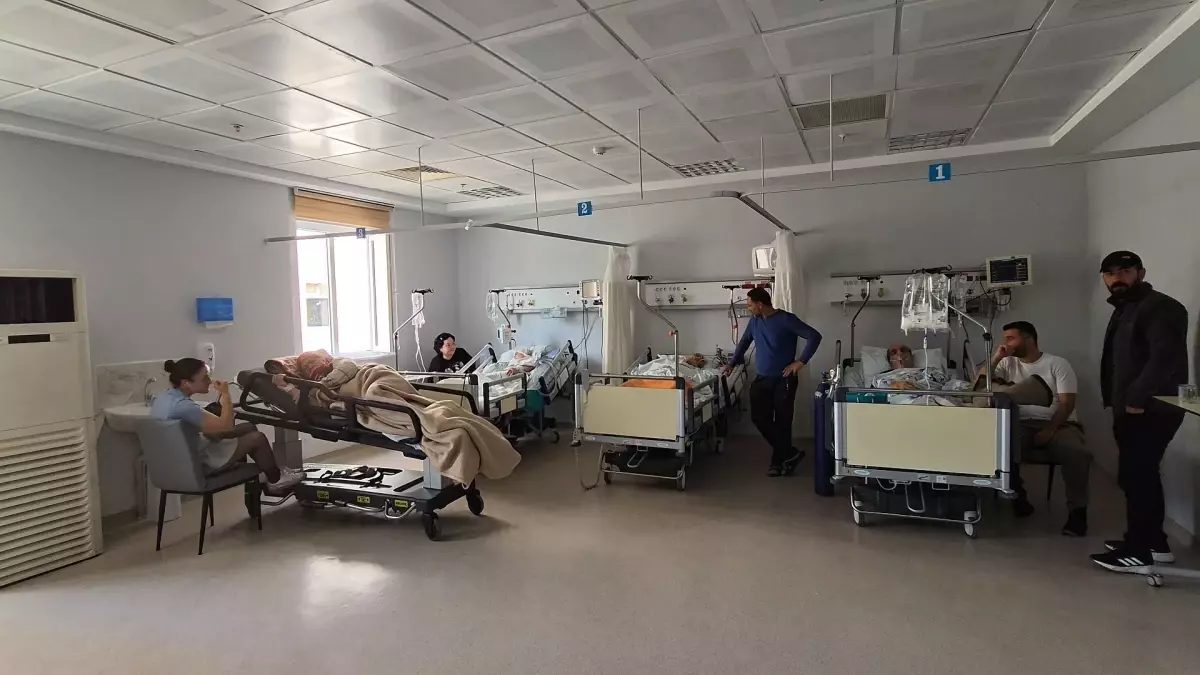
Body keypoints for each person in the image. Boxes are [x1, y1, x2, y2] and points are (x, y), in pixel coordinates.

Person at [1089, 251, 1188, 574]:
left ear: (1141, 273)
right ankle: (1154, 543)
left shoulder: (1161, 307)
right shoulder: (1126, 309)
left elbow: (1164, 358)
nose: (1117, 278)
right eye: (1110, 273)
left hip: (1150, 408)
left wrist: (1137, 398)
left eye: (1125, 270)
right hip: (1131, 406)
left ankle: (1139, 551)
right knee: (1138, 475)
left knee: (1138, 476)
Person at [987, 321, 1091, 536]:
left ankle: (1078, 513)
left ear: (1029, 339)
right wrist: (996, 358)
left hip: (1059, 424)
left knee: (1077, 453)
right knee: (1001, 447)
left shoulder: (1057, 364)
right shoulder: (1007, 364)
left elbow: (1067, 403)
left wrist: (1051, 430)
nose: (1006, 344)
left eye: (1010, 338)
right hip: (1020, 423)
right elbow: (980, 384)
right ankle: (1018, 496)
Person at [151, 358, 303, 496]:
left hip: (179, 460)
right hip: (199, 463)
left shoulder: (165, 398)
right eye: (204, 378)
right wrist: (225, 395)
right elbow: (227, 427)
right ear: (186, 383)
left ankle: (266, 474)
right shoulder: (184, 407)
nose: (209, 381)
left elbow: (206, 430)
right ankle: (276, 480)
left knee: (248, 427)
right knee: (257, 438)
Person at [722, 287, 822, 477]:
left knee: (783, 421)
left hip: (783, 380)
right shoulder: (755, 321)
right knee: (759, 418)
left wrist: (800, 362)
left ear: (760, 304)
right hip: (762, 379)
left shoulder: (786, 319)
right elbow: (744, 343)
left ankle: (778, 462)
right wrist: (731, 363)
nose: (748, 308)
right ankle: (789, 453)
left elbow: (814, 336)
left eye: (750, 305)